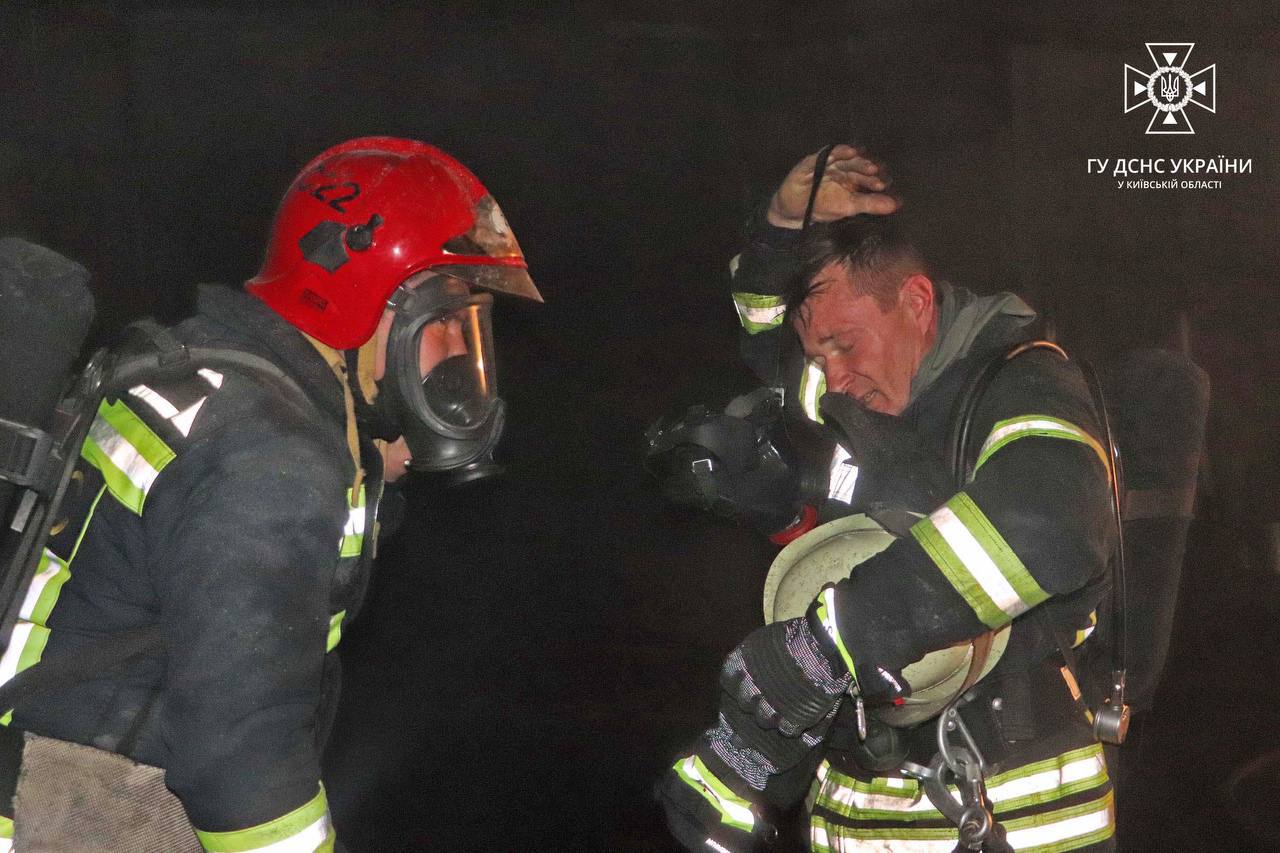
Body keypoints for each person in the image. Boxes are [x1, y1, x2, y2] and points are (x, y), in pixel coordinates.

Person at [0, 136, 541, 851]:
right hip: (83, 810)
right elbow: (240, 755)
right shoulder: (270, 461)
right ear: (364, 304)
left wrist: (364, 452)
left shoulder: (206, 377)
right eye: (445, 323)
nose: (462, 354)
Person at [657, 147, 1118, 851]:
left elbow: (1048, 521)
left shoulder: (1020, 383)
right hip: (857, 814)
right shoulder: (850, 391)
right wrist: (780, 228)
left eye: (844, 344)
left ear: (917, 303)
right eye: (819, 357)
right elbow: (766, 327)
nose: (833, 378)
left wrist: (832, 642)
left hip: (1014, 813)